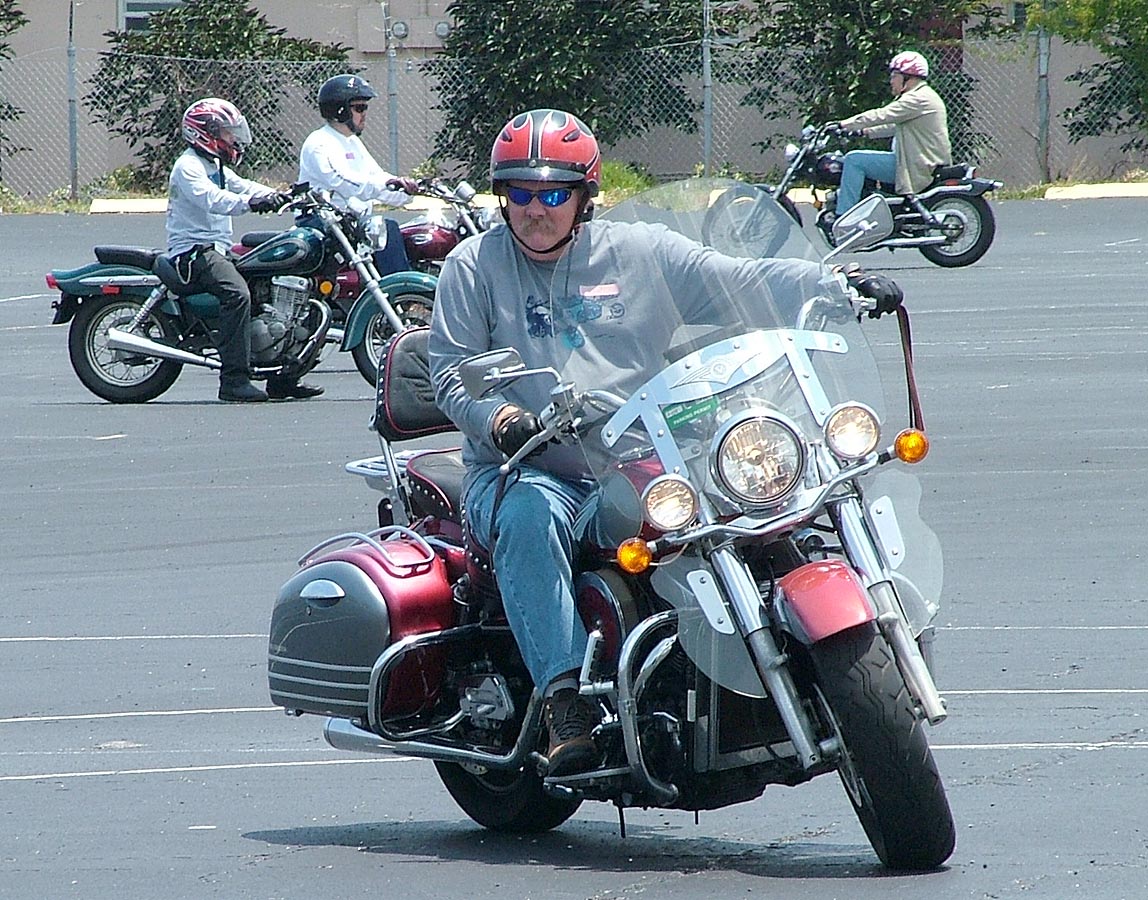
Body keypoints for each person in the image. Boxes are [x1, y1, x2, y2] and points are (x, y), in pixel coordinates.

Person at [427, 109, 904, 776]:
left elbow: (739, 279)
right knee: (530, 517)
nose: (536, 210)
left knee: (746, 491)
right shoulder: (473, 267)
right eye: (521, 193)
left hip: (638, 454)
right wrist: (503, 418)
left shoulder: (640, 252)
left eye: (553, 194)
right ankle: (566, 699)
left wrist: (836, 283)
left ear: (584, 197)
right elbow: (451, 372)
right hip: (530, 466)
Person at [167, 97, 323, 402]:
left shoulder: (214, 165)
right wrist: (251, 203)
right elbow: (212, 198)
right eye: (226, 132)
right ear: (206, 132)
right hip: (194, 251)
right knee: (237, 295)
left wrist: (282, 195)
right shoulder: (188, 166)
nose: (232, 138)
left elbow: (244, 186)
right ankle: (233, 381)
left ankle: (282, 379)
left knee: (271, 285)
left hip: (218, 249)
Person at [298, 74, 420, 276]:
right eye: (359, 108)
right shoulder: (319, 143)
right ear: (340, 109)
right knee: (386, 229)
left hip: (349, 222)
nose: (364, 114)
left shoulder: (352, 142)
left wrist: (406, 190)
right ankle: (401, 289)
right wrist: (387, 184)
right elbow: (344, 181)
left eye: (365, 108)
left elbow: (376, 176)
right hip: (322, 223)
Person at [828, 51, 952, 228]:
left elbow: (882, 115)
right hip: (918, 162)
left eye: (895, 76)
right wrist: (862, 132)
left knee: (854, 160)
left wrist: (843, 124)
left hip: (915, 166)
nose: (891, 80)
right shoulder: (924, 96)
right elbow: (893, 126)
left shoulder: (916, 99)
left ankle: (844, 220)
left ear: (908, 78)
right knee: (859, 159)